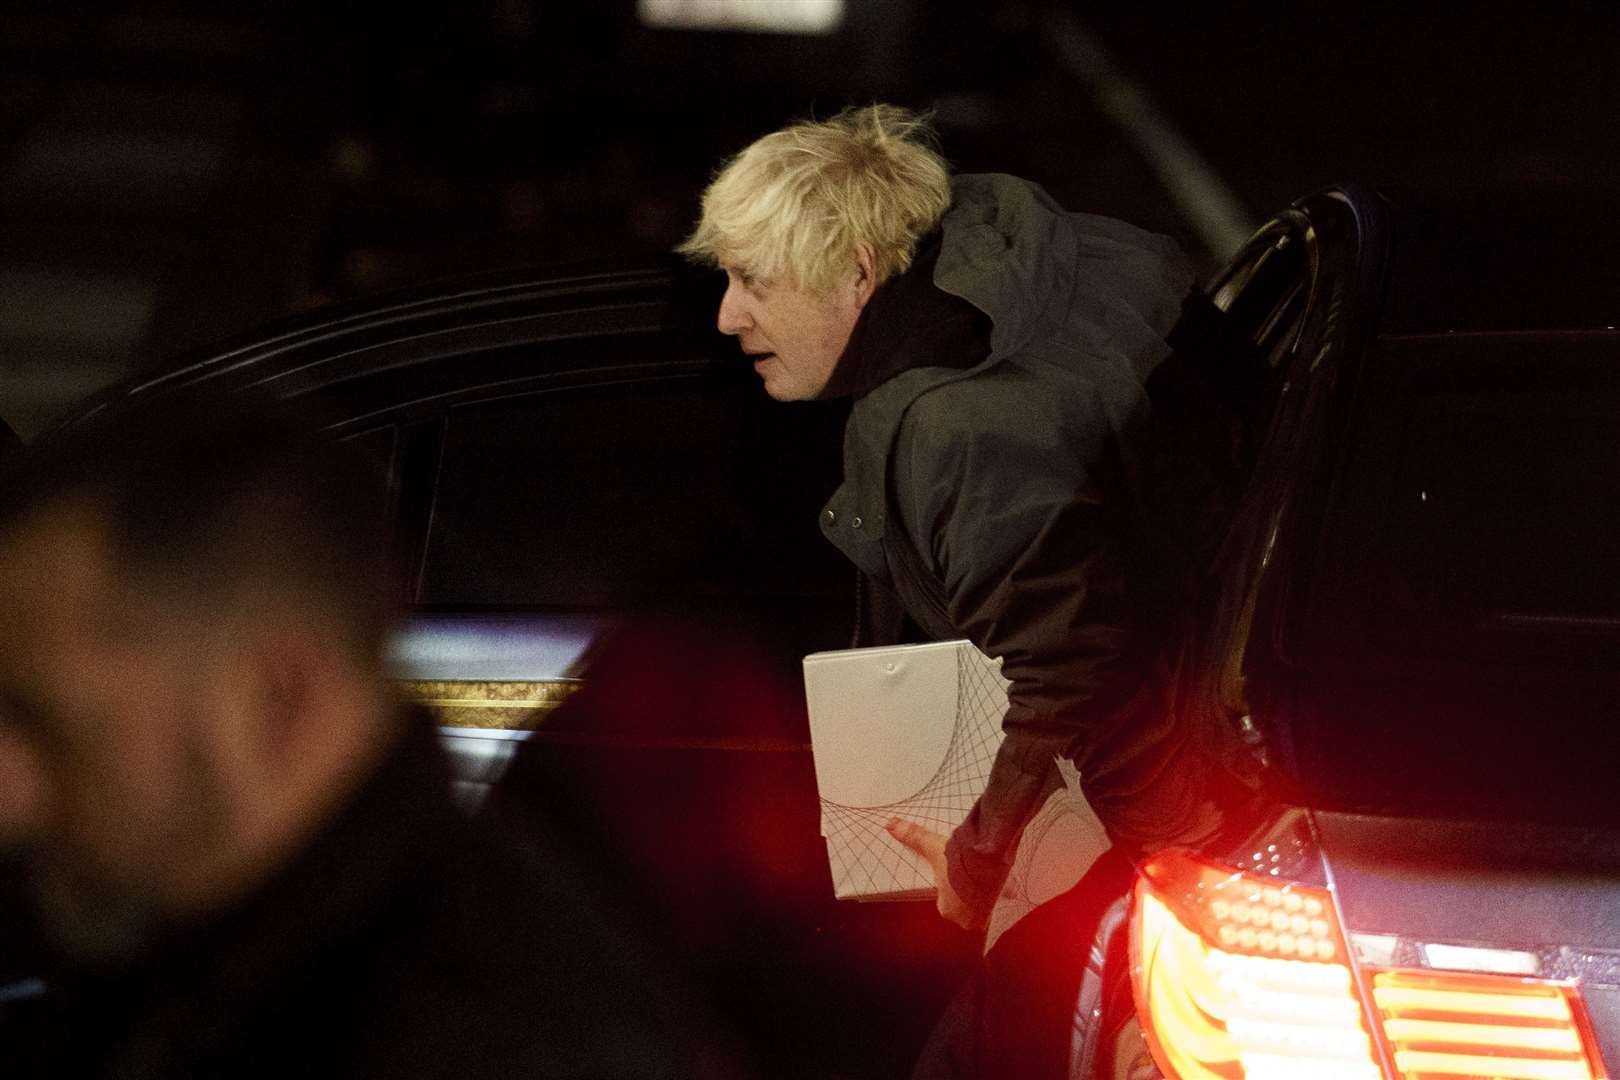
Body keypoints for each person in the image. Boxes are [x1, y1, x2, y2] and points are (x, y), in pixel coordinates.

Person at [678, 105, 1256, 1074]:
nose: (728, 316)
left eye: (753, 283)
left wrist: (980, 858)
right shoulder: (1034, 267)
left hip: (1170, 834)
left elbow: (1070, 666)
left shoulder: (958, 433)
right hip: (1207, 759)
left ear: (860, 272)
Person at [0, 390, 741, 1079]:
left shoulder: (470, 1035)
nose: (9, 793)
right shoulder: (228, 961)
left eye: (47, 724)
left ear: (278, 700)